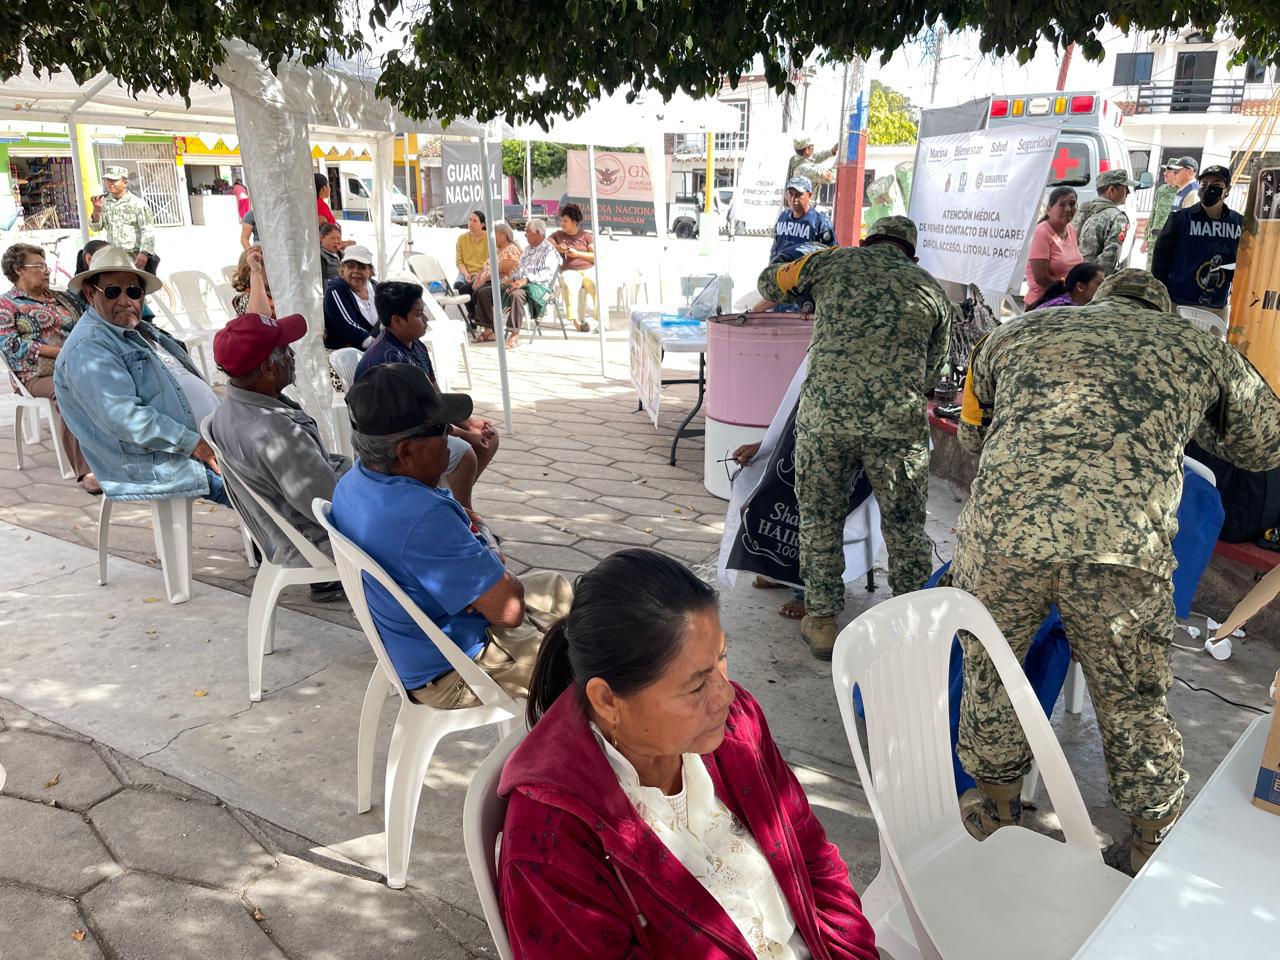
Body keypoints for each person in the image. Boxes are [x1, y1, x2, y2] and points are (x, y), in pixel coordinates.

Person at [954, 268, 1280, 873]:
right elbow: (1265, 443)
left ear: (1098, 300)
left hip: (1004, 537)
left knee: (992, 671)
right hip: (1121, 552)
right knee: (1133, 699)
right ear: (1162, 309)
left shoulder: (1015, 332)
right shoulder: (1199, 347)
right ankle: (1150, 838)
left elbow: (973, 433)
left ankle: (996, 811)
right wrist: (1188, 418)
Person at [499, 548, 879, 960]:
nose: (725, 694)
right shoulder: (552, 845)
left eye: (722, 659)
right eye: (697, 686)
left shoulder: (735, 728)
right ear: (608, 699)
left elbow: (812, 857)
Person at [756, 216, 951, 659]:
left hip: (825, 422)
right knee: (904, 528)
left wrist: (805, 284)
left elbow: (770, 282)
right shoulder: (932, 290)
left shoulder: (830, 263)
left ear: (866, 241)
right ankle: (912, 626)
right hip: (896, 428)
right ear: (911, 254)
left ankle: (822, 621)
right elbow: (931, 373)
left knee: (820, 519)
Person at [329, 362, 573, 708]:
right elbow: (510, 610)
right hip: (451, 667)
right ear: (405, 450)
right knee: (587, 668)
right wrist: (486, 545)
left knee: (555, 587)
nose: (453, 438)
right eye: (442, 429)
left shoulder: (353, 483)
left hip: (415, 639)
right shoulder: (422, 516)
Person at [53, 246, 228, 505]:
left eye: (134, 292)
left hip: (204, 443)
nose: (126, 301)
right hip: (166, 460)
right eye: (113, 292)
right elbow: (125, 418)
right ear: (90, 294)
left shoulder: (142, 329)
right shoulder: (88, 348)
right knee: (263, 497)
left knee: (284, 471)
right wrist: (192, 443)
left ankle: (272, 538)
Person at [210, 310, 349, 602]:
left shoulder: (228, 410)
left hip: (289, 530)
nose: (292, 355)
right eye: (285, 350)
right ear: (268, 370)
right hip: (314, 540)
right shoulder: (276, 433)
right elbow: (329, 503)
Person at [353, 280, 499, 513]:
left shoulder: (415, 346)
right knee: (465, 454)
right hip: (395, 444)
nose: (426, 320)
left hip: (421, 427)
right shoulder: (388, 363)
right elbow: (413, 421)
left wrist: (469, 424)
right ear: (397, 321)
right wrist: (464, 434)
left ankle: (449, 504)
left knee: (488, 438)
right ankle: (464, 517)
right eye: (419, 314)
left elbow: (434, 395)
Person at [0, 243, 97, 492]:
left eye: (46, 266)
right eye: (39, 266)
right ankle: (86, 470)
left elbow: (90, 319)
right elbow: (11, 345)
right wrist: (61, 352)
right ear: (19, 270)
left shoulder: (61, 297)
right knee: (68, 389)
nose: (46, 271)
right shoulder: (7, 305)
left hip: (82, 362)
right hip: (37, 374)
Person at [1151, 164, 1242, 320]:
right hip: (1178, 303)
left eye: (1216, 185)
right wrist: (1161, 294)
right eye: (1204, 184)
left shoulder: (1239, 223)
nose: (1208, 189)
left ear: (1227, 190)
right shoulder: (1180, 218)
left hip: (1216, 307)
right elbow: (1160, 260)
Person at [89, 166, 158, 274]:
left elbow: (148, 229)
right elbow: (96, 227)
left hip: (134, 258)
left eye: (114, 180)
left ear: (125, 183)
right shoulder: (104, 203)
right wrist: (96, 210)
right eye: (108, 180)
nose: (110, 183)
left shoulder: (138, 204)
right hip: (114, 257)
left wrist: (144, 252)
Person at [1072, 170, 1139, 276]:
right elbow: (1110, 258)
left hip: (1072, 273)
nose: (1128, 192)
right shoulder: (1118, 218)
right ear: (1112, 190)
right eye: (1125, 188)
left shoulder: (1082, 209)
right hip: (1092, 277)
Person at [1024, 186, 1082, 307]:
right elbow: (1041, 278)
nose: (1068, 209)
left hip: (1066, 301)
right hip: (1044, 303)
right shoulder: (1041, 233)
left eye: (1072, 204)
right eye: (1062, 205)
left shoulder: (1071, 230)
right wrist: (1067, 291)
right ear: (1049, 210)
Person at [472, 219, 524, 346]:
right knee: (469, 289)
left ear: (503, 235)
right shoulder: (497, 250)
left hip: (503, 282)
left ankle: (489, 329)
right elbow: (486, 266)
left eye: (495, 234)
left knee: (482, 292)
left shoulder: (511, 249)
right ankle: (479, 322)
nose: (493, 238)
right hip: (491, 280)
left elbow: (504, 268)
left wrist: (484, 279)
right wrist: (478, 278)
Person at [550, 203, 596, 332]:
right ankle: (576, 322)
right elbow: (547, 243)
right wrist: (557, 247)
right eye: (561, 220)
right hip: (569, 270)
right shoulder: (558, 235)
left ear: (575, 222)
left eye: (565, 221)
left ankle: (600, 320)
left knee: (596, 285)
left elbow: (595, 256)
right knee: (569, 284)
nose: (562, 223)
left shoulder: (586, 236)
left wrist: (577, 254)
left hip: (587, 269)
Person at [769, 176, 835, 265]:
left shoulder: (820, 222)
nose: (793, 199)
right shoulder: (783, 217)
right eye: (790, 194)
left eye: (798, 194)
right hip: (781, 272)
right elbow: (776, 247)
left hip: (805, 275)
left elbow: (832, 254)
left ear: (809, 195)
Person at [323, 245, 378, 350]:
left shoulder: (377, 288)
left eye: (361, 266)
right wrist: (380, 346)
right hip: (346, 358)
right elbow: (348, 326)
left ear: (370, 270)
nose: (356, 271)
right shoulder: (335, 291)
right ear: (343, 269)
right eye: (350, 266)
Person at [509, 218, 558, 326]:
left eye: (527, 232)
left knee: (516, 295)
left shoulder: (549, 251)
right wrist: (513, 277)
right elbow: (520, 268)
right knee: (487, 291)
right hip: (521, 284)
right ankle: (489, 329)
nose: (525, 235)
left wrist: (526, 280)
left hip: (540, 288)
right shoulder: (527, 249)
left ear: (538, 233)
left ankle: (514, 334)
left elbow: (547, 274)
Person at [454, 210, 488, 321]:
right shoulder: (462, 239)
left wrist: (480, 273)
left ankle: (474, 318)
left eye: (474, 221)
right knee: (459, 286)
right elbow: (459, 262)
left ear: (482, 225)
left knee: (466, 289)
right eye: (470, 220)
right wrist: (466, 274)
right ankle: (473, 315)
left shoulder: (489, 238)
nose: (471, 223)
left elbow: (492, 260)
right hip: (466, 272)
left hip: (483, 273)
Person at [1142, 164, 1177, 269]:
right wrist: (1145, 239)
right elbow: (1153, 213)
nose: (1164, 174)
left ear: (1176, 173)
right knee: (1150, 271)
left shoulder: (1182, 192)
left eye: (1168, 171)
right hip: (1154, 238)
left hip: (1170, 239)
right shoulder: (1161, 190)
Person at [1029, 261, 1105, 310]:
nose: (1104, 287)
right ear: (1080, 287)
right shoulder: (1062, 308)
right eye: (1100, 283)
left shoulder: (1072, 306)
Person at [230, 246, 274, 318]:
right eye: (265, 265)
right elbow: (260, 318)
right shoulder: (244, 299)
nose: (273, 271)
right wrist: (256, 271)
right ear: (249, 273)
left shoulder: (277, 293)